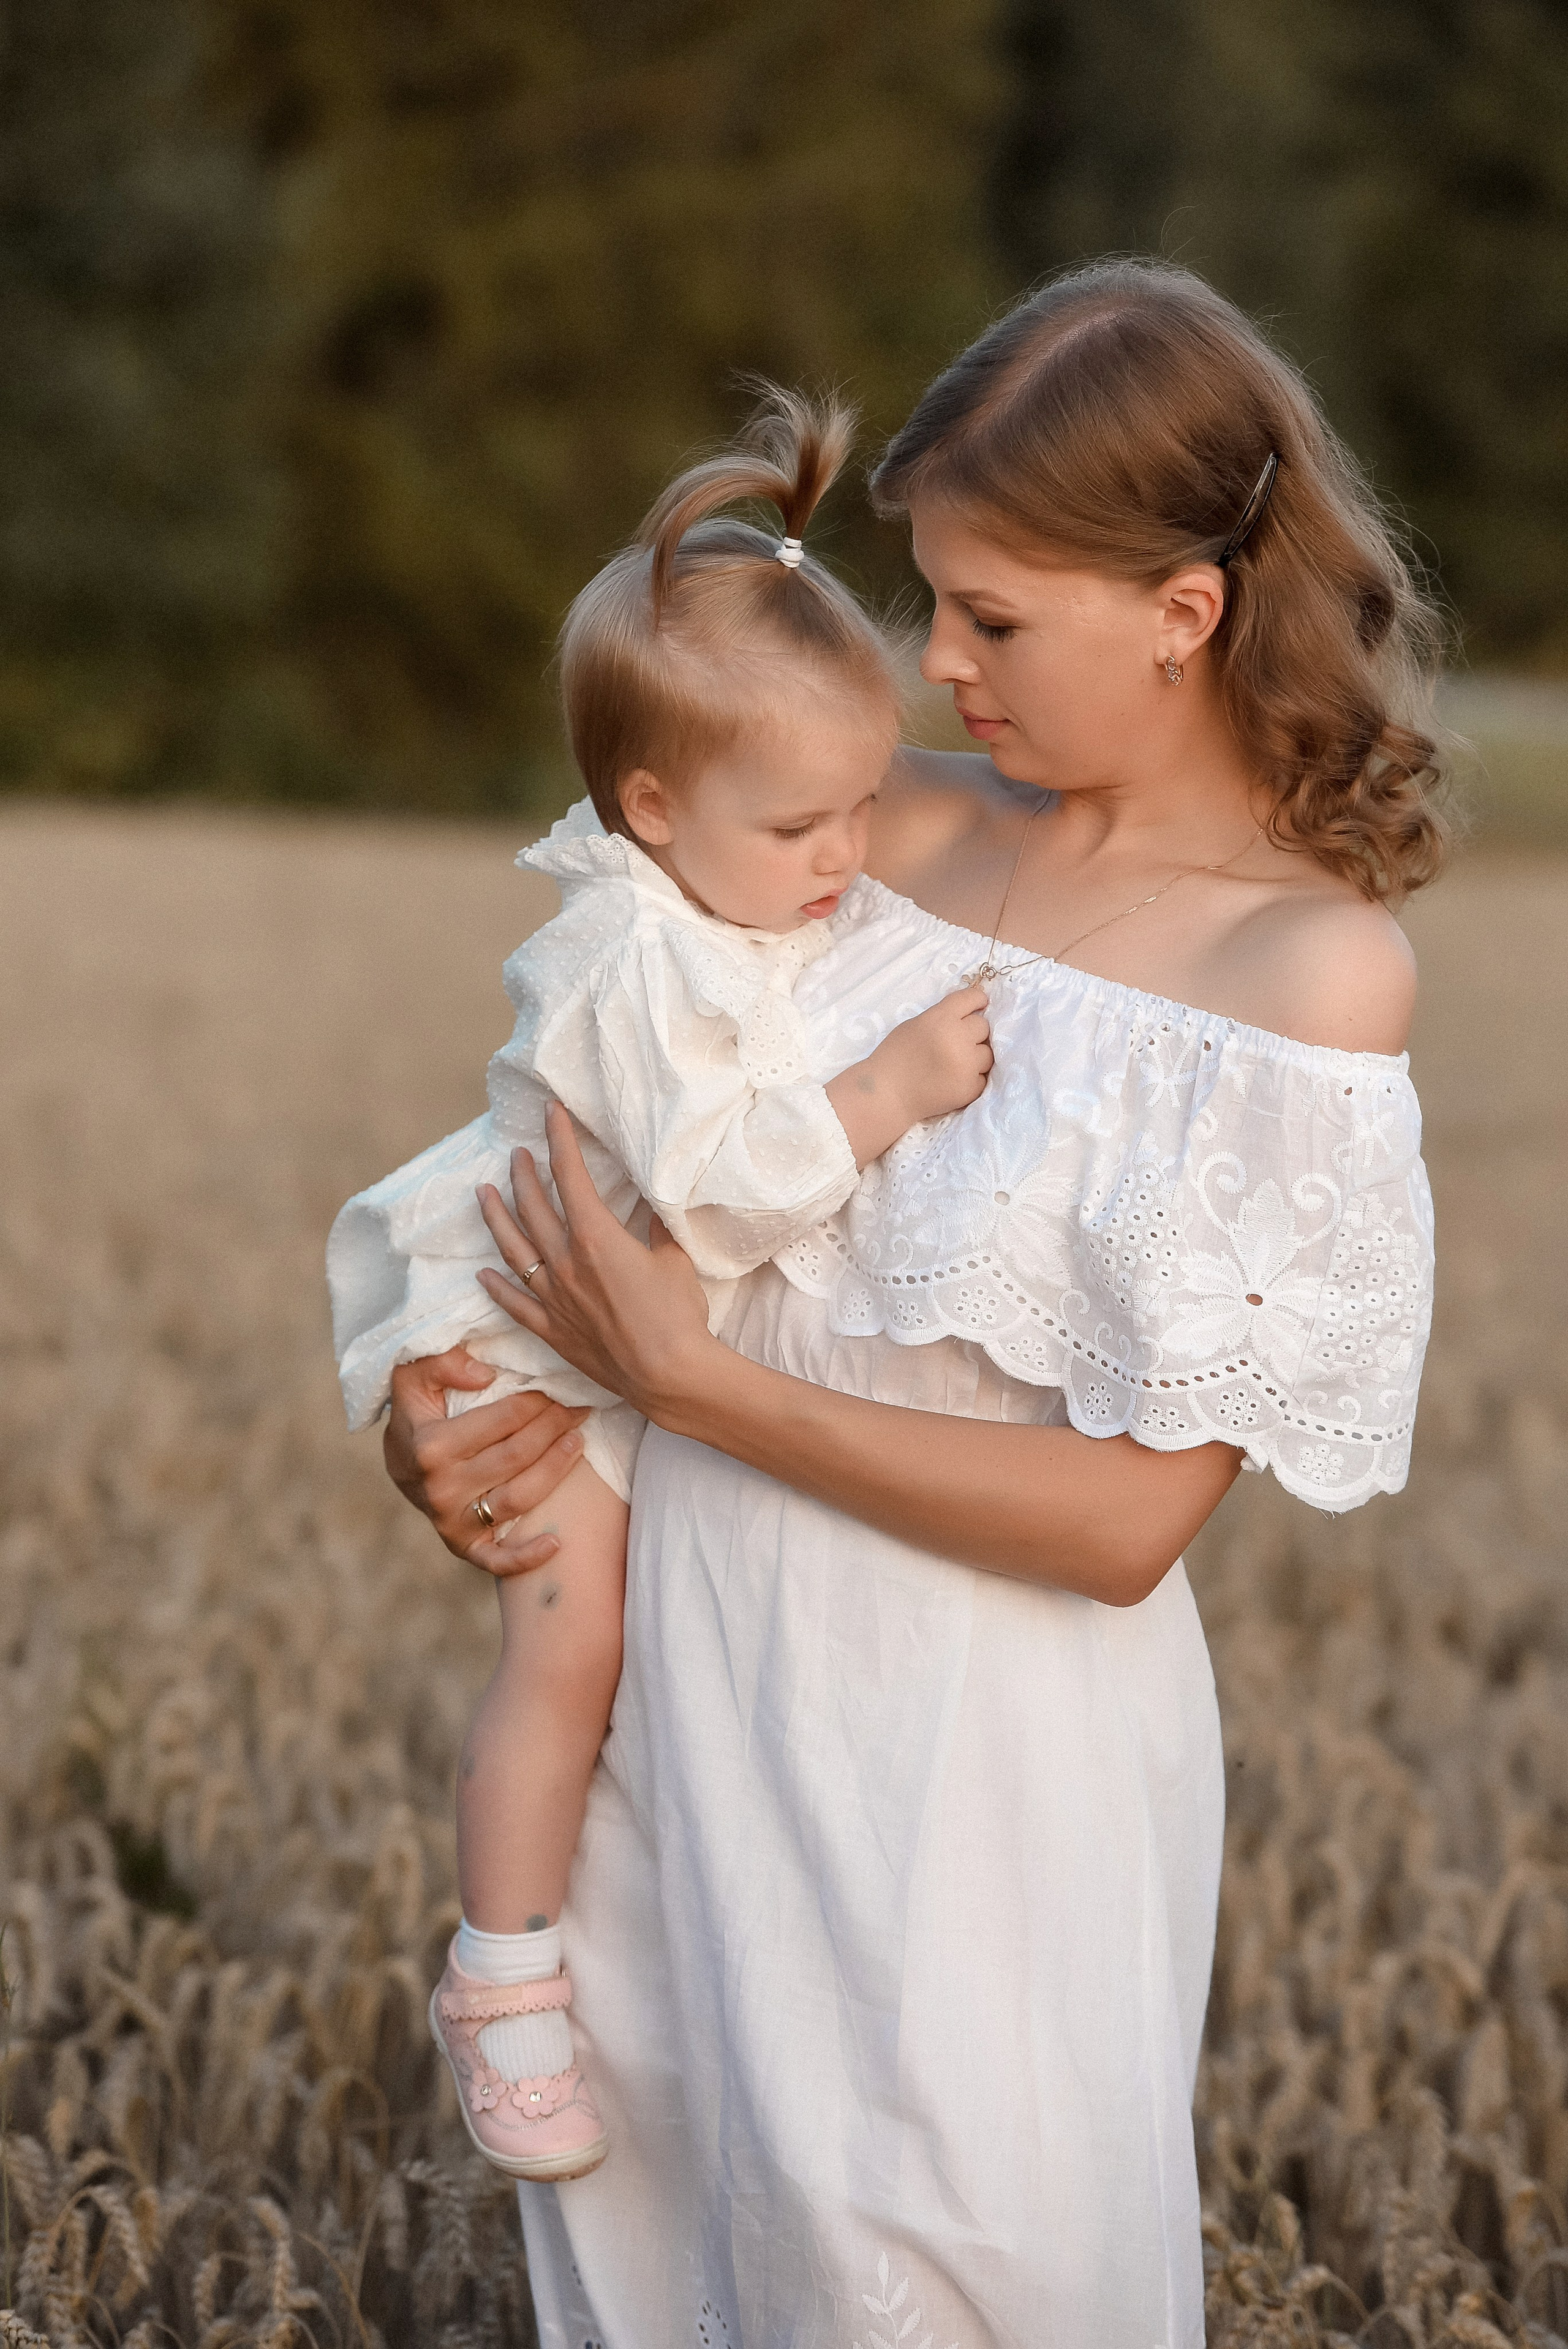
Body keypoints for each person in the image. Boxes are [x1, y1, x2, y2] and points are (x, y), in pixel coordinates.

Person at [383, 260, 1442, 2346]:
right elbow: (564, 1153)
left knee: (958, 2279)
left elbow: (1131, 1521)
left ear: (1186, 608)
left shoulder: (1305, 979)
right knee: (676, 2272)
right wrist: (439, 1417)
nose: (935, 658)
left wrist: (685, 1375)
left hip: (978, 1770)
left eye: (992, 615)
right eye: (931, 598)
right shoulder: (874, 835)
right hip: (683, 1714)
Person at [326, 390, 993, 2182]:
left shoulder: (733, 884)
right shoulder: (625, 950)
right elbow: (723, 1181)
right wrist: (894, 1089)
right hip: (536, 1313)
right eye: (807, 827)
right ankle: (505, 1974)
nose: (849, 856)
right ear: (650, 805)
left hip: (622, 1319)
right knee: (572, 1641)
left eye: (865, 804)